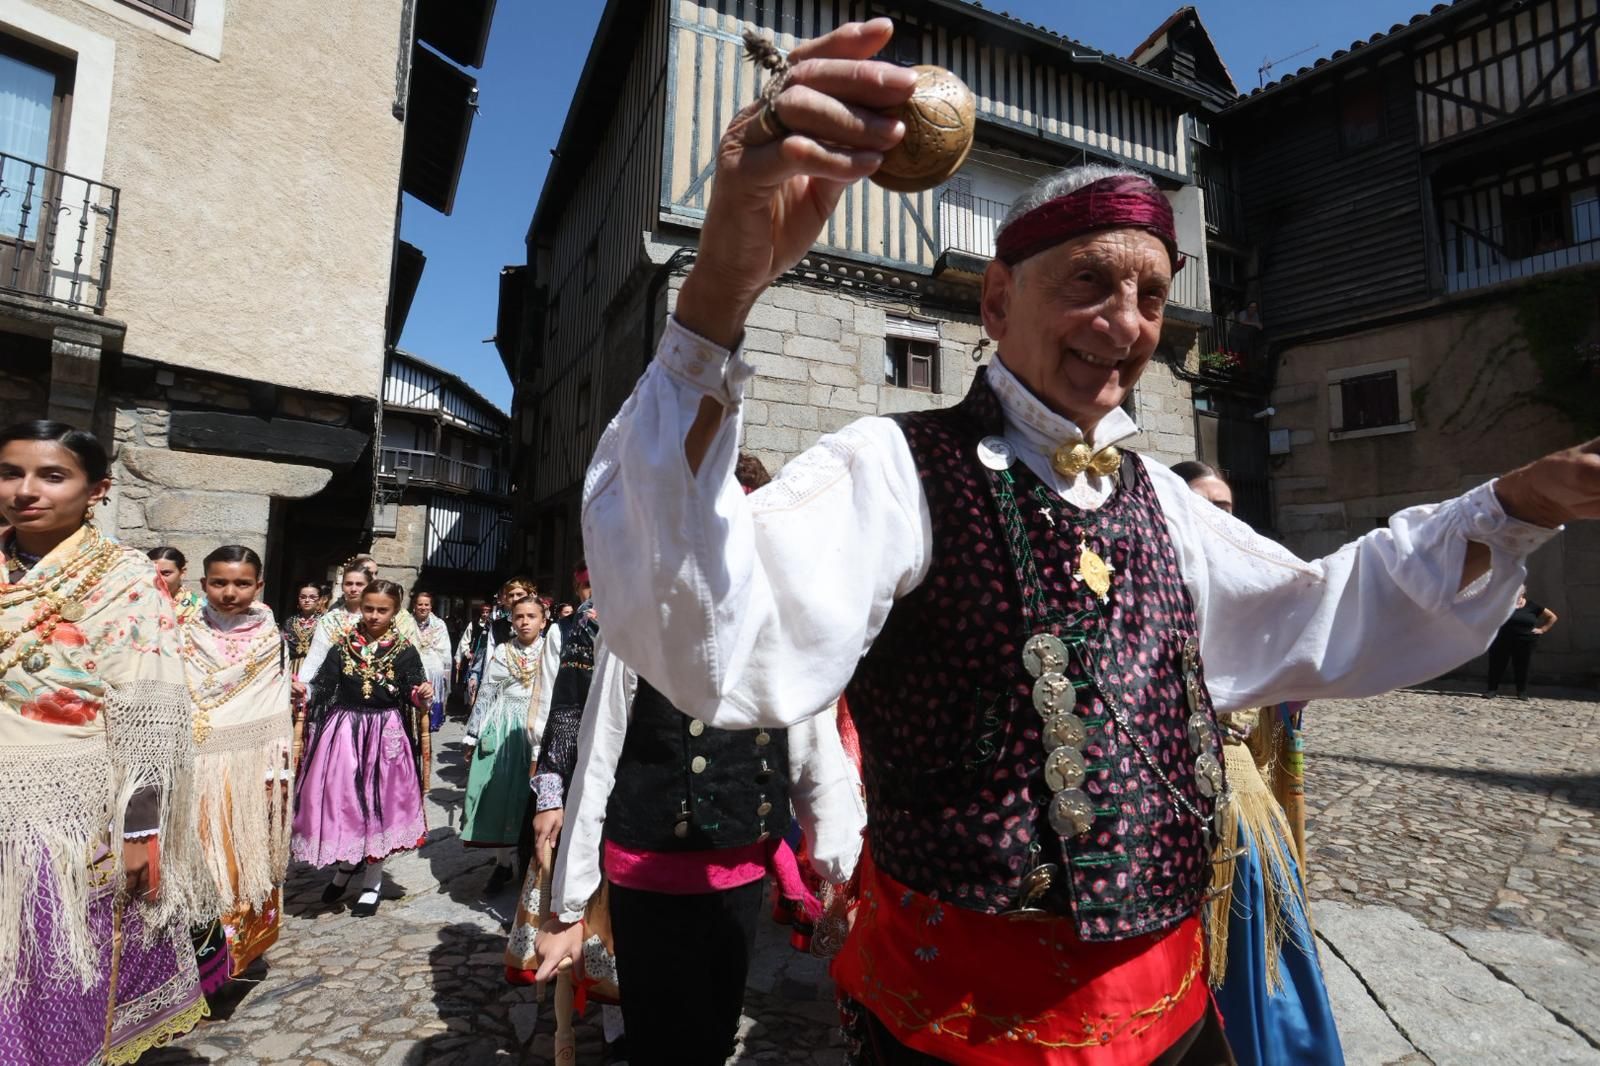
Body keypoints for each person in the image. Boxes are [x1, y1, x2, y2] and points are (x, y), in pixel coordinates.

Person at [563, 18, 1598, 1064]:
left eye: (1150, 294)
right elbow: (702, 620)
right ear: (1000, 298)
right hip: (961, 1030)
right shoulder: (889, 464)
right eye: (1090, 283)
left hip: (1176, 1017)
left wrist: (1513, 502)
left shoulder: (1161, 494)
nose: (1127, 321)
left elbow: (1321, 608)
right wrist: (720, 296)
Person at [536, 644, 865, 1066]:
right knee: (657, 1040)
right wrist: (569, 908)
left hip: (740, 878)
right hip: (649, 881)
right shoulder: (639, 626)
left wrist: (845, 865)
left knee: (716, 1035)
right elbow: (597, 758)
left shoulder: (776, 631)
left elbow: (812, 751)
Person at [0, 420, 206, 1063]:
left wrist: (142, 832)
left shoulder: (126, 581)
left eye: (51, 475)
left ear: (98, 490)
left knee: (46, 969)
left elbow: (150, 713)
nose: (25, 491)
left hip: (61, 809)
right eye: (11, 473)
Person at [1174, 464, 1341, 1065]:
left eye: (1227, 504)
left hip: (1241, 800)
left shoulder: (1253, 591)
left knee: (1257, 930)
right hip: (1165, 806)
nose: (1220, 516)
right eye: (1202, 504)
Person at [180, 545, 294, 996]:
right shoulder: (179, 635)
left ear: (259, 586)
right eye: (219, 582)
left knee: (240, 858)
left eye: (242, 583)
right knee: (194, 860)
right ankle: (188, 959)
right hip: (189, 764)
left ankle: (238, 951)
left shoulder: (272, 643)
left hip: (248, 770)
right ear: (202, 584)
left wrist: (275, 775)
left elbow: (275, 711)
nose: (230, 592)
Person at [291, 579, 433, 918]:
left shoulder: (404, 650)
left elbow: (412, 688)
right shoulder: (342, 646)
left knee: (377, 804)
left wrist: (421, 694)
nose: (373, 615)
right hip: (344, 730)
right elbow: (326, 685)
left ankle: (373, 881)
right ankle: (345, 865)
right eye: (368, 608)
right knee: (345, 802)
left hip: (385, 732)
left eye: (382, 610)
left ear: (395, 612)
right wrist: (306, 693)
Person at [462, 595, 556, 887]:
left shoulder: (552, 650)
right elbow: (488, 694)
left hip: (536, 725)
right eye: (519, 617)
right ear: (511, 621)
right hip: (503, 726)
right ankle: (503, 862)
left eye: (531, 616)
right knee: (497, 793)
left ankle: (532, 861)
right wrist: (473, 733)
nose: (524, 621)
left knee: (530, 797)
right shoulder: (503, 651)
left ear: (543, 620)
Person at [467, 579, 535, 703]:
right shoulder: (497, 626)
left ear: (529, 596)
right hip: (503, 685)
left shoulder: (538, 623)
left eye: (519, 594)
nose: (515, 598)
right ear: (505, 599)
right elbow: (490, 658)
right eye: (511, 595)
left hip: (531, 686)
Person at [1485, 586, 1558, 699]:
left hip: (1525, 641)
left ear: (1523, 592)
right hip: (1502, 640)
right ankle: (1491, 690)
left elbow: (1552, 617)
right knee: (1497, 664)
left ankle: (1521, 692)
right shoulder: (1504, 604)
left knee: (1522, 666)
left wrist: (1542, 629)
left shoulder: (1532, 606)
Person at [411, 590, 454, 732]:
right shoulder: (407, 623)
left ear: (431, 607)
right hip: (413, 662)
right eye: (420, 604)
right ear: (414, 606)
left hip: (433, 664)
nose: (423, 607)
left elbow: (444, 649)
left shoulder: (439, 624)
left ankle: (432, 721)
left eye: (426, 604)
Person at [149, 545, 204, 624]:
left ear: (182, 573)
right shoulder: (133, 606)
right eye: (151, 572)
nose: (158, 579)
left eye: (166, 573)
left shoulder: (200, 610)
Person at [282, 580, 322, 677]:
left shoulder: (324, 622)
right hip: (291, 669)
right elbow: (283, 648)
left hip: (317, 670)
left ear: (320, 600)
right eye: (303, 597)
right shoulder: (289, 622)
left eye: (312, 597)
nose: (307, 600)